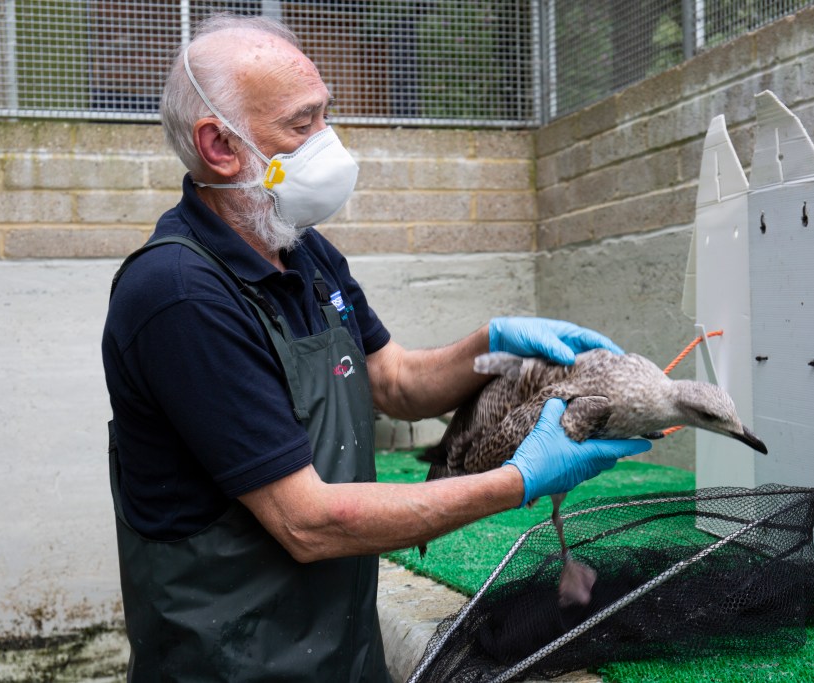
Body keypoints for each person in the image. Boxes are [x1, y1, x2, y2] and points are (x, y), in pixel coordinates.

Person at [102, 13, 651, 681]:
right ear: (220, 145)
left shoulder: (301, 249)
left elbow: (392, 380)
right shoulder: (180, 295)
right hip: (236, 660)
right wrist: (518, 481)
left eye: (325, 116)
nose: (329, 143)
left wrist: (495, 341)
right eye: (302, 126)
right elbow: (307, 521)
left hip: (340, 648)